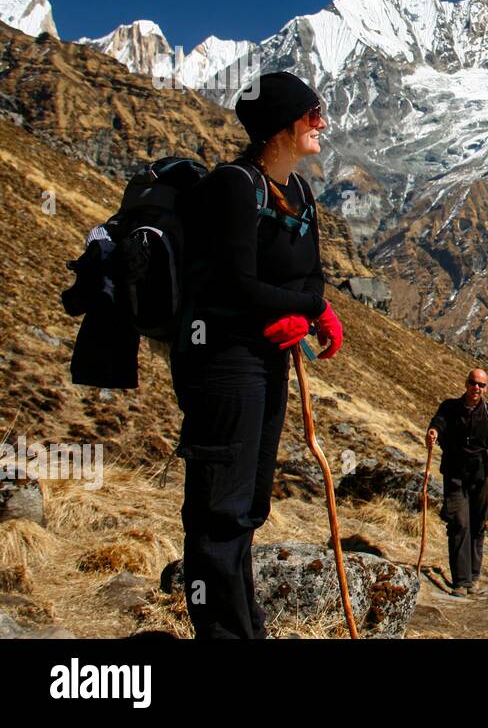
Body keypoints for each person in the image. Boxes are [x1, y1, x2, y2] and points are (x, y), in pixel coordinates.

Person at [168, 71, 344, 638]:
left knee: (248, 506)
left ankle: (245, 628)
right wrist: (296, 307)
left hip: (267, 361)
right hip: (222, 363)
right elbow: (234, 285)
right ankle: (224, 632)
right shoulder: (234, 186)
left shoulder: (299, 192)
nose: (321, 122)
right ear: (282, 126)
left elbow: (309, 275)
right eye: (312, 112)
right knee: (220, 510)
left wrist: (316, 309)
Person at [426, 368, 488, 596]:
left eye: (481, 385)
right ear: (466, 383)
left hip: (481, 477)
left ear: (486, 388)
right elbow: (437, 424)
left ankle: (474, 575)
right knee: (459, 522)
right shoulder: (450, 407)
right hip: (455, 475)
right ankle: (461, 581)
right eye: (473, 383)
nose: (476, 388)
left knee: (478, 524)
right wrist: (432, 433)